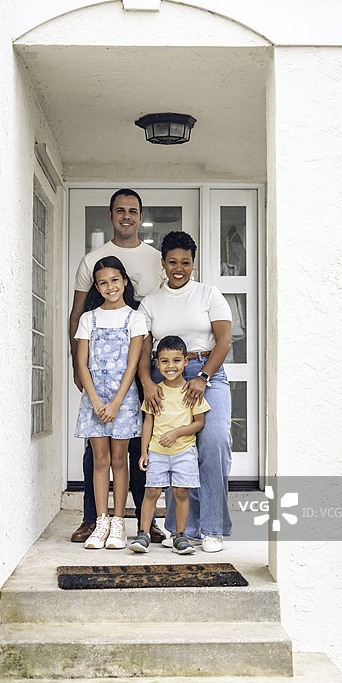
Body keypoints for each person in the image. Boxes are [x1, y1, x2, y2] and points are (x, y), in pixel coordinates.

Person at [69, 188, 165, 543]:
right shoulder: (92, 260)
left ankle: (141, 521)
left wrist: (150, 377)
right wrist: (80, 371)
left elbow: (160, 308)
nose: (127, 216)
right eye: (120, 210)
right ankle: (95, 519)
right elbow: (77, 314)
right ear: (110, 215)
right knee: (97, 454)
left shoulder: (155, 259)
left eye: (133, 210)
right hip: (97, 383)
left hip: (140, 370)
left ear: (141, 216)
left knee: (135, 449)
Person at [138, 231, 233, 553]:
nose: (179, 268)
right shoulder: (150, 302)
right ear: (163, 263)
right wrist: (148, 383)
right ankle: (184, 530)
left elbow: (224, 342)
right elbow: (143, 350)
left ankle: (213, 529)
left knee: (215, 442)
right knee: (175, 445)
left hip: (208, 371)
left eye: (185, 262)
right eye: (173, 262)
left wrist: (203, 376)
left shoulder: (209, 294)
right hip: (165, 376)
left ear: (193, 263)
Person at [74, 256, 147, 549]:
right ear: (96, 286)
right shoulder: (88, 319)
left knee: (119, 460)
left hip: (123, 401)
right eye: (103, 282)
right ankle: (101, 521)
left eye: (115, 280)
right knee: (99, 460)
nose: (110, 286)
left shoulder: (135, 318)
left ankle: (118, 523)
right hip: (94, 400)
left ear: (125, 281)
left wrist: (116, 402)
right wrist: (95, 401)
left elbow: (132, 366)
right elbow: (82, 364)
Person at [130, 336, 211, 555]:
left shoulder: (191, 391)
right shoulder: (154, 392)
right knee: (151, 491)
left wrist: (176, 433)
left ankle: (180, 536)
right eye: (164, 361)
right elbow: (148, 422)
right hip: (157, 452)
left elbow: (199, 423)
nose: (170, 366)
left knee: (181, 492)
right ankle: (143, 534)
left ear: (185, 361)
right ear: (157, 363)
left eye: (176, 360)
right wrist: (144, 451)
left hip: (184, 452)